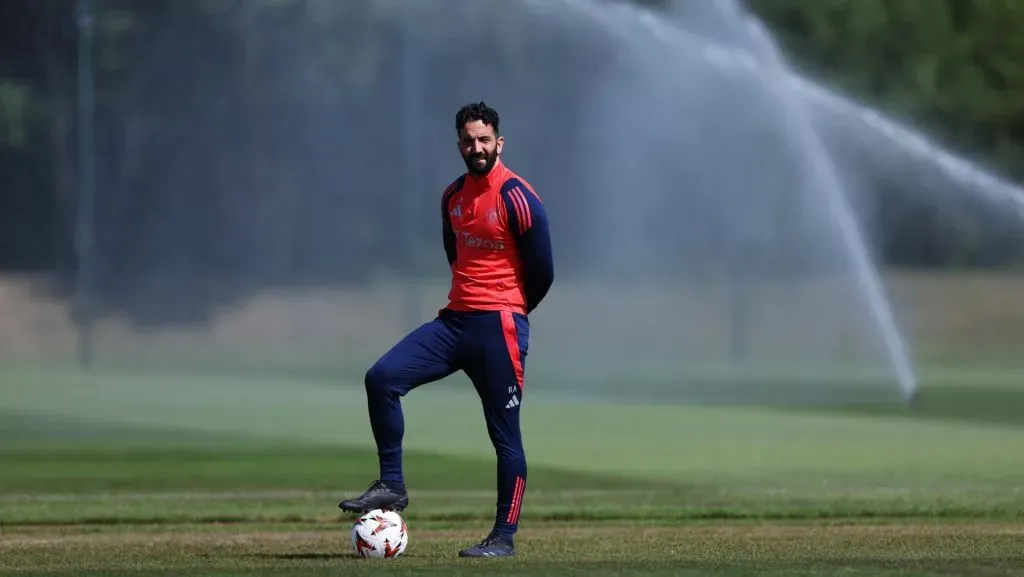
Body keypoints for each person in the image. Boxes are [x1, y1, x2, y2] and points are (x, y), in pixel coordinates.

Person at [338, 102, 554, 558]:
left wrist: (512, 312)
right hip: (454, 323)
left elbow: (544, 270)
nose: (476, 148)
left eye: (484, 140)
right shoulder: (452, 197)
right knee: (381, 378)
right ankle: (392, 485)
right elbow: (454, 255)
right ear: (459, 144)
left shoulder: (518, 196)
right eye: (468, 141)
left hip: (499, 328)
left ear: (499, 142)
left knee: (505, 437)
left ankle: (504, 538)